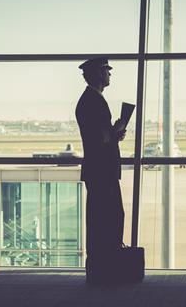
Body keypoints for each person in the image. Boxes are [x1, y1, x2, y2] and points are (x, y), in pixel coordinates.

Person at [75, 57, 126, 282]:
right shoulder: (93, 102)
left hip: (99, 170)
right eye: (107, 70)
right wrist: (115, 132)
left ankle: (102, 267)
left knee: (102, 219)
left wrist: (113, 134)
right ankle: (106, 267)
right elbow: (100, 138)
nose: (110, 75)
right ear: (98, 74)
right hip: (102, 170)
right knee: (108, 218)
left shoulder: (90, 100)